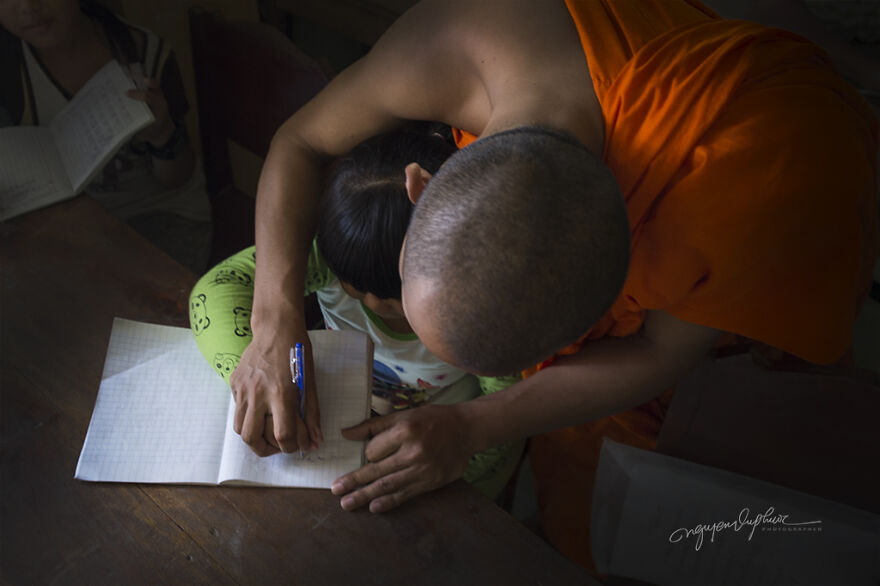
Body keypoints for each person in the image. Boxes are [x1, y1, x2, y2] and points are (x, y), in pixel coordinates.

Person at [229, 0, 876, 571]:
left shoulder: (747, 202)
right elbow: (302, 139)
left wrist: (474, 425)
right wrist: (273, 322)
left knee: (662, 518)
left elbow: (660, 352)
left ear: (596, 320)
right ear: (421, 187)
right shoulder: (471, 33)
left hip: (769, 185)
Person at [189, 128, 524, 500]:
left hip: (436, 443)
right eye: (353, 289)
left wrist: (442, 483)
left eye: (392, 301)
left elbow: (499, 434)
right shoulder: (329, 255)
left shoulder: (482, 315)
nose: (371, 306)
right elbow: (215, 290)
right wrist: (259, 372)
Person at [0, 0, 212, 273]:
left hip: (161, 215)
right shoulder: (8, 67)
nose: (29, 6)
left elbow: (177, 178)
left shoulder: (144, 54)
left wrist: (162, 135)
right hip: (69, 227)